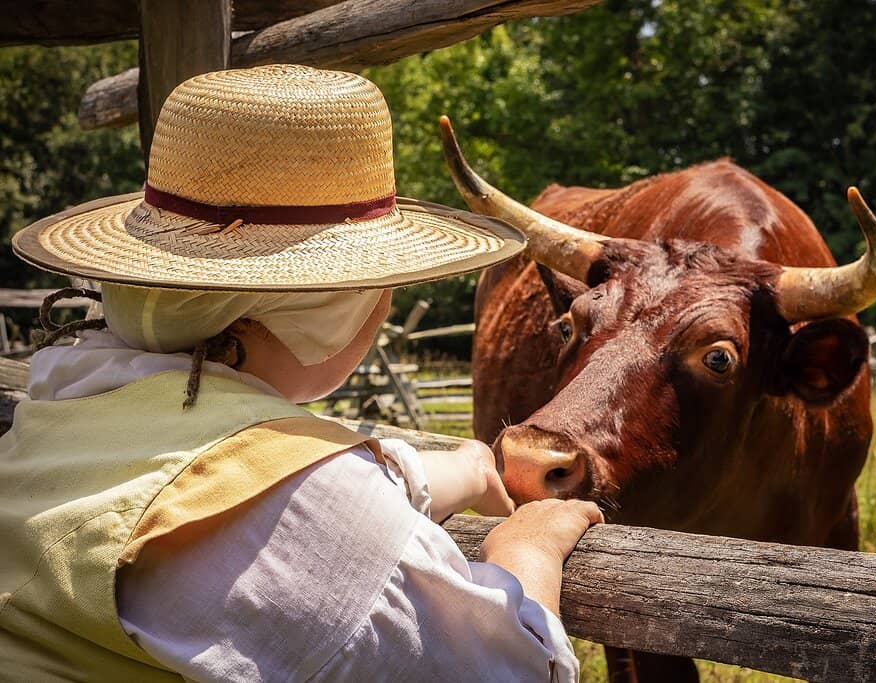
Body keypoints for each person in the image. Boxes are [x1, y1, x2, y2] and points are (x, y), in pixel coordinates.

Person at [0, 65, 602, 682]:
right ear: (333, 310)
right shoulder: (309, 513)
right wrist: (526, 550)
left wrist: (438, 471)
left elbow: (208, 477)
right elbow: (512, 671)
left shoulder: (68, 394)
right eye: (383, 286)